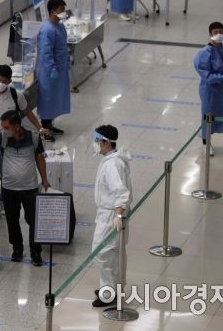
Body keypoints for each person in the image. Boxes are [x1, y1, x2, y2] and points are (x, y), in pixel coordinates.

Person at [0, 64, 49, 203]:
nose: (1, 83)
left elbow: (28, 113)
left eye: (4, 81)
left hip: (6, 143)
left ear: (9, 81)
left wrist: (39, 128)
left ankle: (4, 201)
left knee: (5, 176)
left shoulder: (15, 95)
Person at [0, 110, 50, 266]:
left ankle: (35, 251)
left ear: (17, 126)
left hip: (30, 188)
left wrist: (45, 180)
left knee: (33, 220)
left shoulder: (33, 137)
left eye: (6, 127)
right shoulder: (2, 138)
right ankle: (17, 248)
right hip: (9, 189)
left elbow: (39, 159)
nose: (3, 129)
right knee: (12, 221)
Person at [90, 125, 132, 307]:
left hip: (112, 216)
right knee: (110, 254)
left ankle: (109, 293)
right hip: (108, 213)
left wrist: (118, 216)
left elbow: (121, 193)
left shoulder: (113, 165)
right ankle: (110, 288)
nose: (96, 144)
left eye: (97, 141)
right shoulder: (111, 159)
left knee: (102, 254)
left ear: (106, 142)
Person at [194, 21, 223, 157]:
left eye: (221, 32)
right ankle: (206, 143)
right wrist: (221, 78)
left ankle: (210, 135)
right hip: (210, 90)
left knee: (222, 112)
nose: (218, 35)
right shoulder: (204, 53)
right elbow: (205, 74)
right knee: (209, 114)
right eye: (215, 32)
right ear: (210, 34)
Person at [36, 0, 71, 141]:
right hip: (49, 71)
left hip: (60, 68)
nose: (64, 12)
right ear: (53, 11)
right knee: (47, 99)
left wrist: (67, 60)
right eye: (61, 10)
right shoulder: (47, 30)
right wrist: (52, 68)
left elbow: (63, 46)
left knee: (56, 97)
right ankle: (45, 129)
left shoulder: (60, 26)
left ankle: (49, 123)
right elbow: (45, 52)